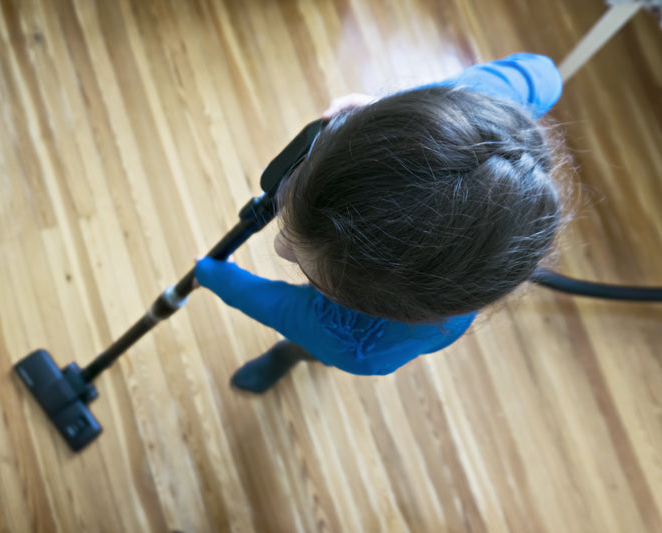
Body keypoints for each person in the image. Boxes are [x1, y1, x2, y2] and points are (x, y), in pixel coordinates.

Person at [194, 53, 565, 393]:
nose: (279, 247)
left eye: (312, 277)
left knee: (311, 341)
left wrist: (213, 275)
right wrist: (392, 117)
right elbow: (545, 74)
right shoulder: (476, 117)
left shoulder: (361, 344)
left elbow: (282, 308)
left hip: (335, 332)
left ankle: (290, 354)